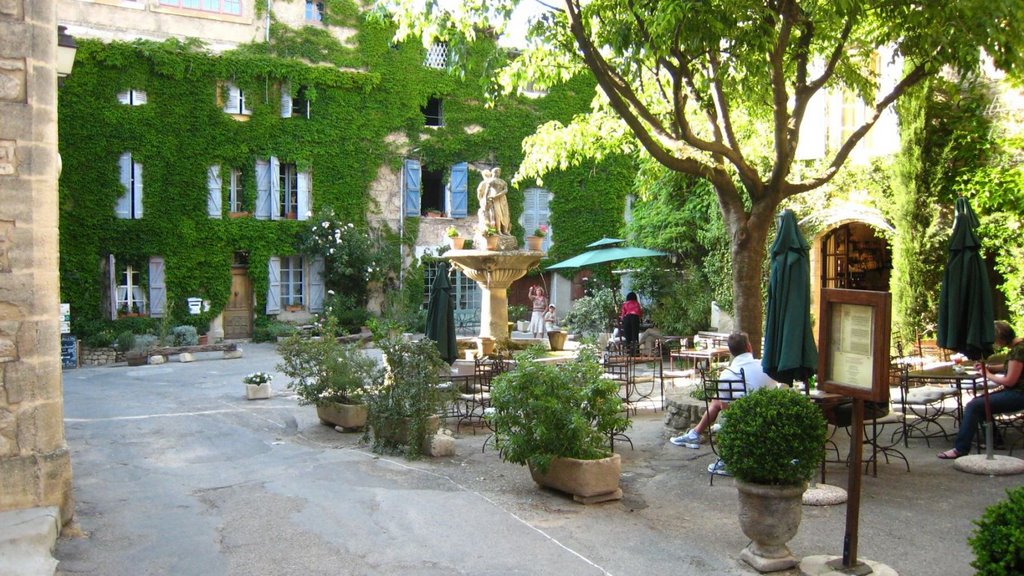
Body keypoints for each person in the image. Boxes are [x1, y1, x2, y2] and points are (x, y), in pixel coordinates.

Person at [670, 332, 779, 455]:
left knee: (718, 400)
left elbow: (726, 409)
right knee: (718, 399)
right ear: (749, 347)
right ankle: (694, 434)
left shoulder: (727, 374)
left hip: (743, 418)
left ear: (731, 352)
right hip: (769, 413)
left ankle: (695, 434)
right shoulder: (764, 365)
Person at [938, 320, 1024, 459]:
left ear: (999, 338)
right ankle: (995, 442)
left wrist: (988, 375)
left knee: (973, 405)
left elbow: (1010, 380)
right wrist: (991, 368)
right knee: (982, 403)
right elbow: (1012, 366)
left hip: (1018, 394)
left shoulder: (1018, 351)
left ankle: (960, 449)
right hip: (1018, 392)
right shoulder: (1020, 345)